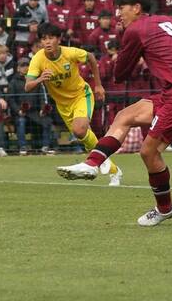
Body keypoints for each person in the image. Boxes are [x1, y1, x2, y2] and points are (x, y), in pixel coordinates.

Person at [57, 0, 172, 226]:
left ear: (136, 8)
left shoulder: (136, 30)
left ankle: (165, 208)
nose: (118, 15)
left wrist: (127, 52)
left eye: (122, 8)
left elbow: (120, 74)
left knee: (148, 152)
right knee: (125, 115)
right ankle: (91, 164)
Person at [27, 22, 122, 184]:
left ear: (59, 39)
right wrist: (40, 79)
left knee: (79, 130)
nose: (47, 42)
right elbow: (27, 86)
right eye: (44, 39)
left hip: (81, 96)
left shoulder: (70, 53)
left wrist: (98, 85)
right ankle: (113, 169)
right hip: (62, 105)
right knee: (84, 137)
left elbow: (91, 58)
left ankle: (100, 161)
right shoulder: (38, 59)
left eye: (51, 38)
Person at [10, 57, 53, 155]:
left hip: (34, 112)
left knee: (47, 120)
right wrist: (18, 111)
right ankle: (22, 147)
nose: (25, 68)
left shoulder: (37, 81)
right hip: (20, 113)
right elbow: (11, 100)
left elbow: (43, 96)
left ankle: (45, 147)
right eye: (22, 66)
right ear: (18, 68)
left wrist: (43, 109)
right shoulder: (13, 82)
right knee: (21, 121)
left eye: (27, 65)